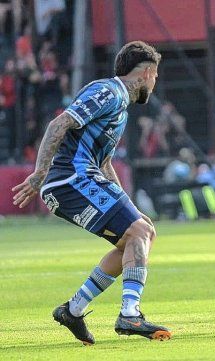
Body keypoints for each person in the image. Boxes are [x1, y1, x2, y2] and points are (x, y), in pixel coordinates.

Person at [11, 41, 171, 345]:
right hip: (69, 179)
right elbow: (59, 123)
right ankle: (130, 313)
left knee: (142, 232)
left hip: (82, 178)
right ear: (147, 72)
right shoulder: (107, 93)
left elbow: (104, 162)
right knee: (138, 233)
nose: (156, 81)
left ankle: (73, 309)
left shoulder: (120, 105)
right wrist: (39, 174)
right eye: (156, 75)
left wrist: (130, 209)